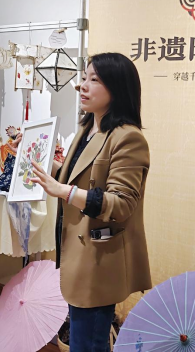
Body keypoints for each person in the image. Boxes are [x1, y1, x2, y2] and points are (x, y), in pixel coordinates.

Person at [29, 52, 152, 351]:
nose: (82, 86)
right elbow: (73, 178)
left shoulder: (128, 138)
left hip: (99, 259)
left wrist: (63, 191)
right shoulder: (87, 129)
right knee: (83, 341)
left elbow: (121, 203)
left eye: (94, 80)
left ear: (117, 88)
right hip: (78, 254)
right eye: (84, 78)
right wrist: (34, 159)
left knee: (88, 343)